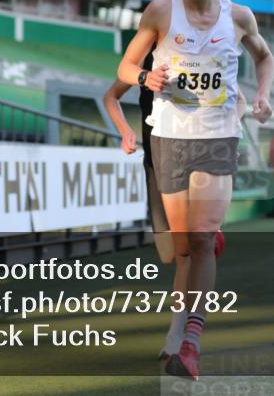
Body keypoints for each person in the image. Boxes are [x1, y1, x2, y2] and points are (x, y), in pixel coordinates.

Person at [116, 0, 274, 380]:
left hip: (217, 135)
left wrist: (262, 95)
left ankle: (191, 344)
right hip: (169, 137)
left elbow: (264, 58)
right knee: (182, 247)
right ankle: (188, 303)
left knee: (202, 239)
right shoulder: (160, 12)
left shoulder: (239, 16)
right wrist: (145, 77)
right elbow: (125, 67)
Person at [102, 48, 246, 360]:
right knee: (169, 253)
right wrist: (125, 132)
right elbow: (110, 97)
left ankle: (176, 335)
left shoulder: (201, 57)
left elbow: (240, 100)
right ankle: (206, 239)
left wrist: (227, 133)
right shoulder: (144, 62)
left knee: (186, 255)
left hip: (198, 158)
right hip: (157, 163)